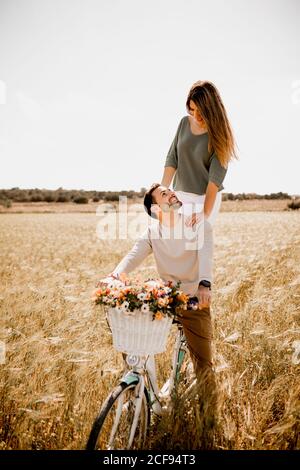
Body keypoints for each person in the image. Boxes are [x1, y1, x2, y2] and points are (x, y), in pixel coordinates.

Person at [103, 183, 214, 380]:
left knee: (203, 366)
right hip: (167, 300)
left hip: (194, 299)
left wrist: (204, 285)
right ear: (156, 209)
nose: (172, 193)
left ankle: (208, 408)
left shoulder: (198, 225)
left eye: (170, 190)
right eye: (165, 194)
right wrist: (114, 276)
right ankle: (137, 391)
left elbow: (206, 256)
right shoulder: (152, 233)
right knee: (133, 341)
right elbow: (133, 256)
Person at [161, 80, 238, 295]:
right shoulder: (184, 124)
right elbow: (172, 158)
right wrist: (161, 192)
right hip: (180, 195)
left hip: (205, 198)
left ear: (211, 109)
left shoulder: (220, 135)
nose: (195, 115)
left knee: (195, 249)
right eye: (191, 109)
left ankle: (196, 303)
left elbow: (214, 181)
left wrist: (203, 213)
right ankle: (178, 306)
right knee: (176, 249)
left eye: (200, 111)